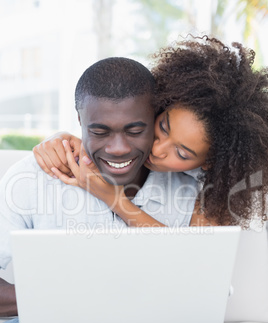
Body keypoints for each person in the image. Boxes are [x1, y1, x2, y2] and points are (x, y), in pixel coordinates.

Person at [0, 54, 261, 323]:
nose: (119, 147)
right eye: (100, 130)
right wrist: (55, 299)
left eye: (136, 130)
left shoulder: (205, 186)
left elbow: (199, 285)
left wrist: (111, 196)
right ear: (79, 119)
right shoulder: (34, 175)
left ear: (151, 116)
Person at [34, 36, 268, 228]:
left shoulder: (218, 192)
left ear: (208, 162)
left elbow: (190, 261)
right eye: (163, 127)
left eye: (182, 153)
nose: (156, 149)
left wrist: (113, 198)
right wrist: (63, 140)